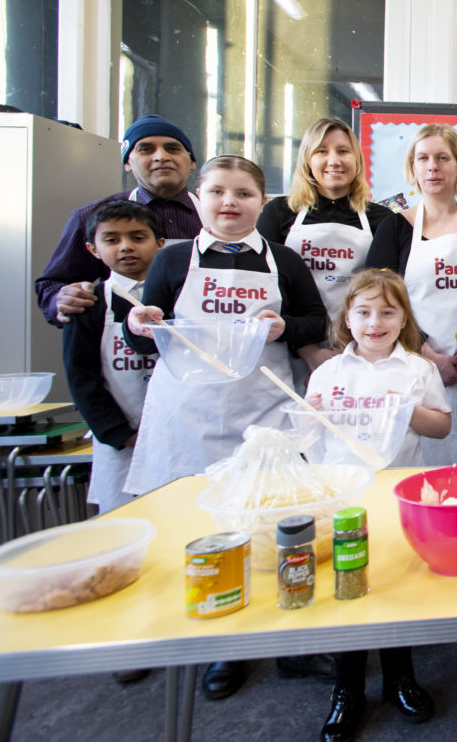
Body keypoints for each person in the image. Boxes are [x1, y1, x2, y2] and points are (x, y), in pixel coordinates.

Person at [122, 156, 327, 700]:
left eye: (242, 193)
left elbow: (315, 321)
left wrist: (285, 326)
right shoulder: (169, 262)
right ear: (198, 199)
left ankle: (291, 643)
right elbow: (147, 331)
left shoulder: (284, 260)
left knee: (278, 524)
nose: (229, 203)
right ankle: (223, 650)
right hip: (188, 414)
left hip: (262, 413)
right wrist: (137, 322)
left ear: (263, 202)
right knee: (207, 529)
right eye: (217, 192)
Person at [307, 269, 448, 741]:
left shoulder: (417, 369)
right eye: (364, 312)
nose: (375, 322)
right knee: (349, 590)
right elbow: (307, 439)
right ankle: (346, 690)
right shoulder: (328, 372)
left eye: (388, 312)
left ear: (404, 317)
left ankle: (399, 678)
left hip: (395, 497)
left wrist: (407, 408)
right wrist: (311, 417)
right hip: (341, 502)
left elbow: (442, 427)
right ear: (347, 318)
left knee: (395, 590)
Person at [366, 123, 457, 467]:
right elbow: (380, 302)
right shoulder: (395, 227)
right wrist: (429, 356)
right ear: (413, 167)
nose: (432, 166)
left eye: (442, 158)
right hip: (413, 367)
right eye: (423, 158)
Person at [36, 114, 203, 326]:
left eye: (173, 148)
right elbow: (52, 284)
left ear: (192, 162)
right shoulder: (90, 217)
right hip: (121, 349)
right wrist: (60, 299)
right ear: (127, 164)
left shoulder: (220, 217)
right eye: (146, 149)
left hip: (200, 345)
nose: (161, 156)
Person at [256, 118, 391, 379]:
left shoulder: (381, 218)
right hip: (290, 348)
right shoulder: (279, 212)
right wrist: (308, 351)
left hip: (359, 348)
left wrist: (353, 347)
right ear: (307, 159)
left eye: (343, 151)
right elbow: (267, 288)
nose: (334, 160)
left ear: (357, 160)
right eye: (321, 151)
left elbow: (385, 291)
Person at [61, 200, 164, 515]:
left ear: (160, 244)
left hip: (174, 432)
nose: (125, 247)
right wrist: (121, 433)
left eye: (137, 237)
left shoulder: (176, 296)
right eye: (112, 239)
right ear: (93, 249)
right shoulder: (89, 304)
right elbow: (81, 375)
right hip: (120, 443)